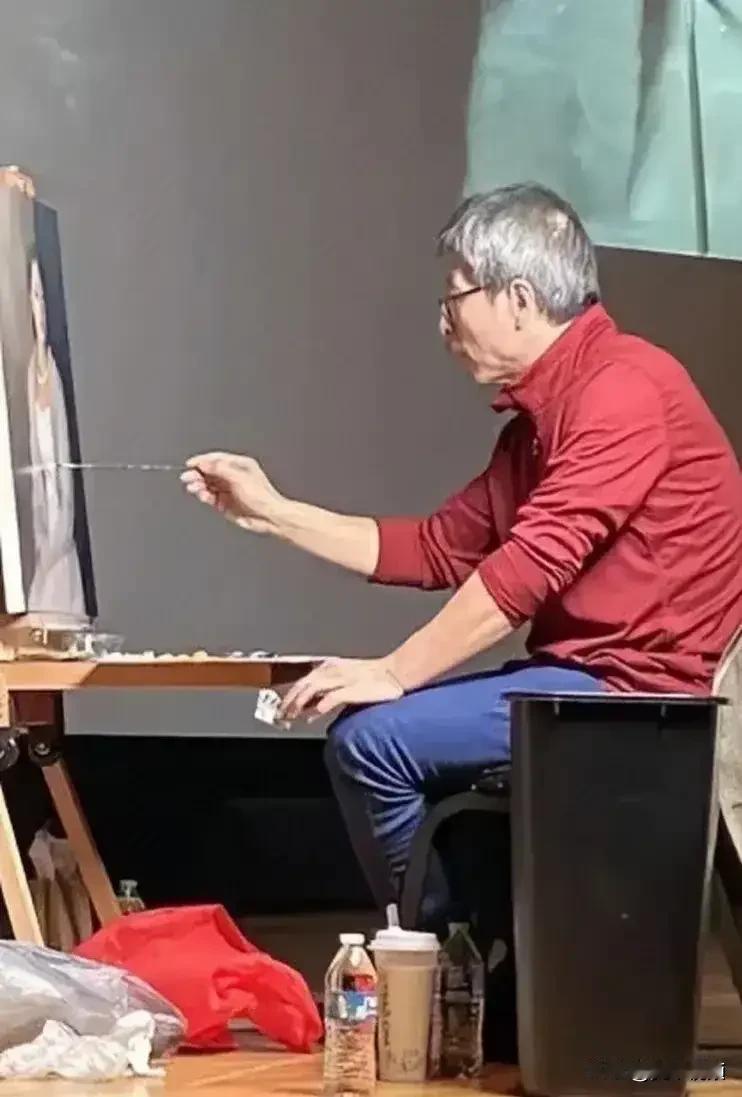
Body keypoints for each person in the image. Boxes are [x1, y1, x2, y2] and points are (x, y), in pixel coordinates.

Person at [182, 183, 742, 927]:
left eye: (456, 297)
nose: (443, 321)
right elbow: (437, 548)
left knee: (372, 743)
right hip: (583, 682)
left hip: (641, 696)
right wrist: (274, 512)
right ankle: (478, 957)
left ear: (519, 299)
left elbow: (527, 569)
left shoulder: (624, 389)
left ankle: (444, 963)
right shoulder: (536, 425)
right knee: (384, 740)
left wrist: (392, 672)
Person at [27, 256, 86, 620]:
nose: (38, 307)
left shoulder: (52, 372)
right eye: (32, 296)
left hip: (57, 551)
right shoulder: (30, 373)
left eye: (40, 295)